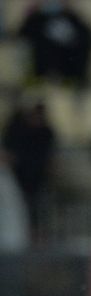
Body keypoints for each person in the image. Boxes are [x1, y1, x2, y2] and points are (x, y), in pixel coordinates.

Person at [1, 94, 56, 240]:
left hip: (38, 180)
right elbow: (10, 154)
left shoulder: (46, 133)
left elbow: (47, 158)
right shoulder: (15, 130)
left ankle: (35, 234)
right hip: (17, 178)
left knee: (36, 209)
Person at [17, 0, 91, 84]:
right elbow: (22, 35)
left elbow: (88, 37)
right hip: (42, 76)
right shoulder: (36, 19)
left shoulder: (73, 19)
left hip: (69, 77)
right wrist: (33, 11)